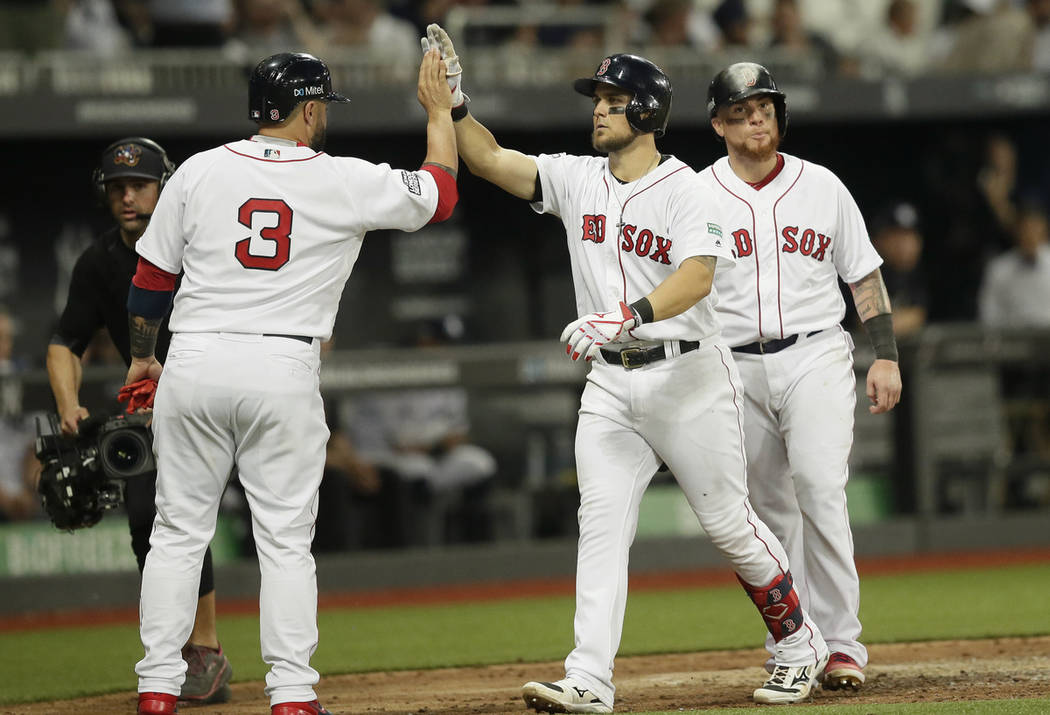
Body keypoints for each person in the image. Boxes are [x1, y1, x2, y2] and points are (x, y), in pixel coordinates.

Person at [422, 24, 829, 711]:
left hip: (688, 377)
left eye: (611, 98)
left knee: (729, 524)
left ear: (645, 110)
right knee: (601, 525)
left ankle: (798, 641)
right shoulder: (579, 176)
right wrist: (457, 103)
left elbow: (698, 277)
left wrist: (628, 313)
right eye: (598, 99)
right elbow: (490, 159)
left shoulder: (687, 190)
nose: (598, 109)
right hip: (611, 383)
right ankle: (589, 676)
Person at [127, 49, 458, 715]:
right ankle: (293, 695)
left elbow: (151, 282)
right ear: (309, 109)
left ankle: (158, 686)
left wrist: (142, 359)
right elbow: (441, 193)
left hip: (193, 357)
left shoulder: (197, 171)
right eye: (322, 108)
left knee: (177, 532)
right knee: (283, 538)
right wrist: (440, 112)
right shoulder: (340, 178)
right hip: (280, 365)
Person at [698, 62, 903, 692]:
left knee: (819, 487)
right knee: (768, 510)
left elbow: (862, 276)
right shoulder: (696, 193)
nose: (756, 117)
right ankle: (793, 643)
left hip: (815, 352)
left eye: (764, 107)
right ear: (718, 124)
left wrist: (886, 354)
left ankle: (842, 644)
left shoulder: (823, 186)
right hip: (732, 363)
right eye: (741, 109)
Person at [46, 137, 233, 705]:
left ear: (165, 185)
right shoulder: (99, 261)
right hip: (148, 408)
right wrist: (68, 406)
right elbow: (64, 342)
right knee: (147, 519)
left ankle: (211, 649)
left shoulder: (201, 242)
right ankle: (194, 650)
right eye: (117, 187)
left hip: (219, 392)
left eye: (139, 185)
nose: (128, 197)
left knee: (266, 523)